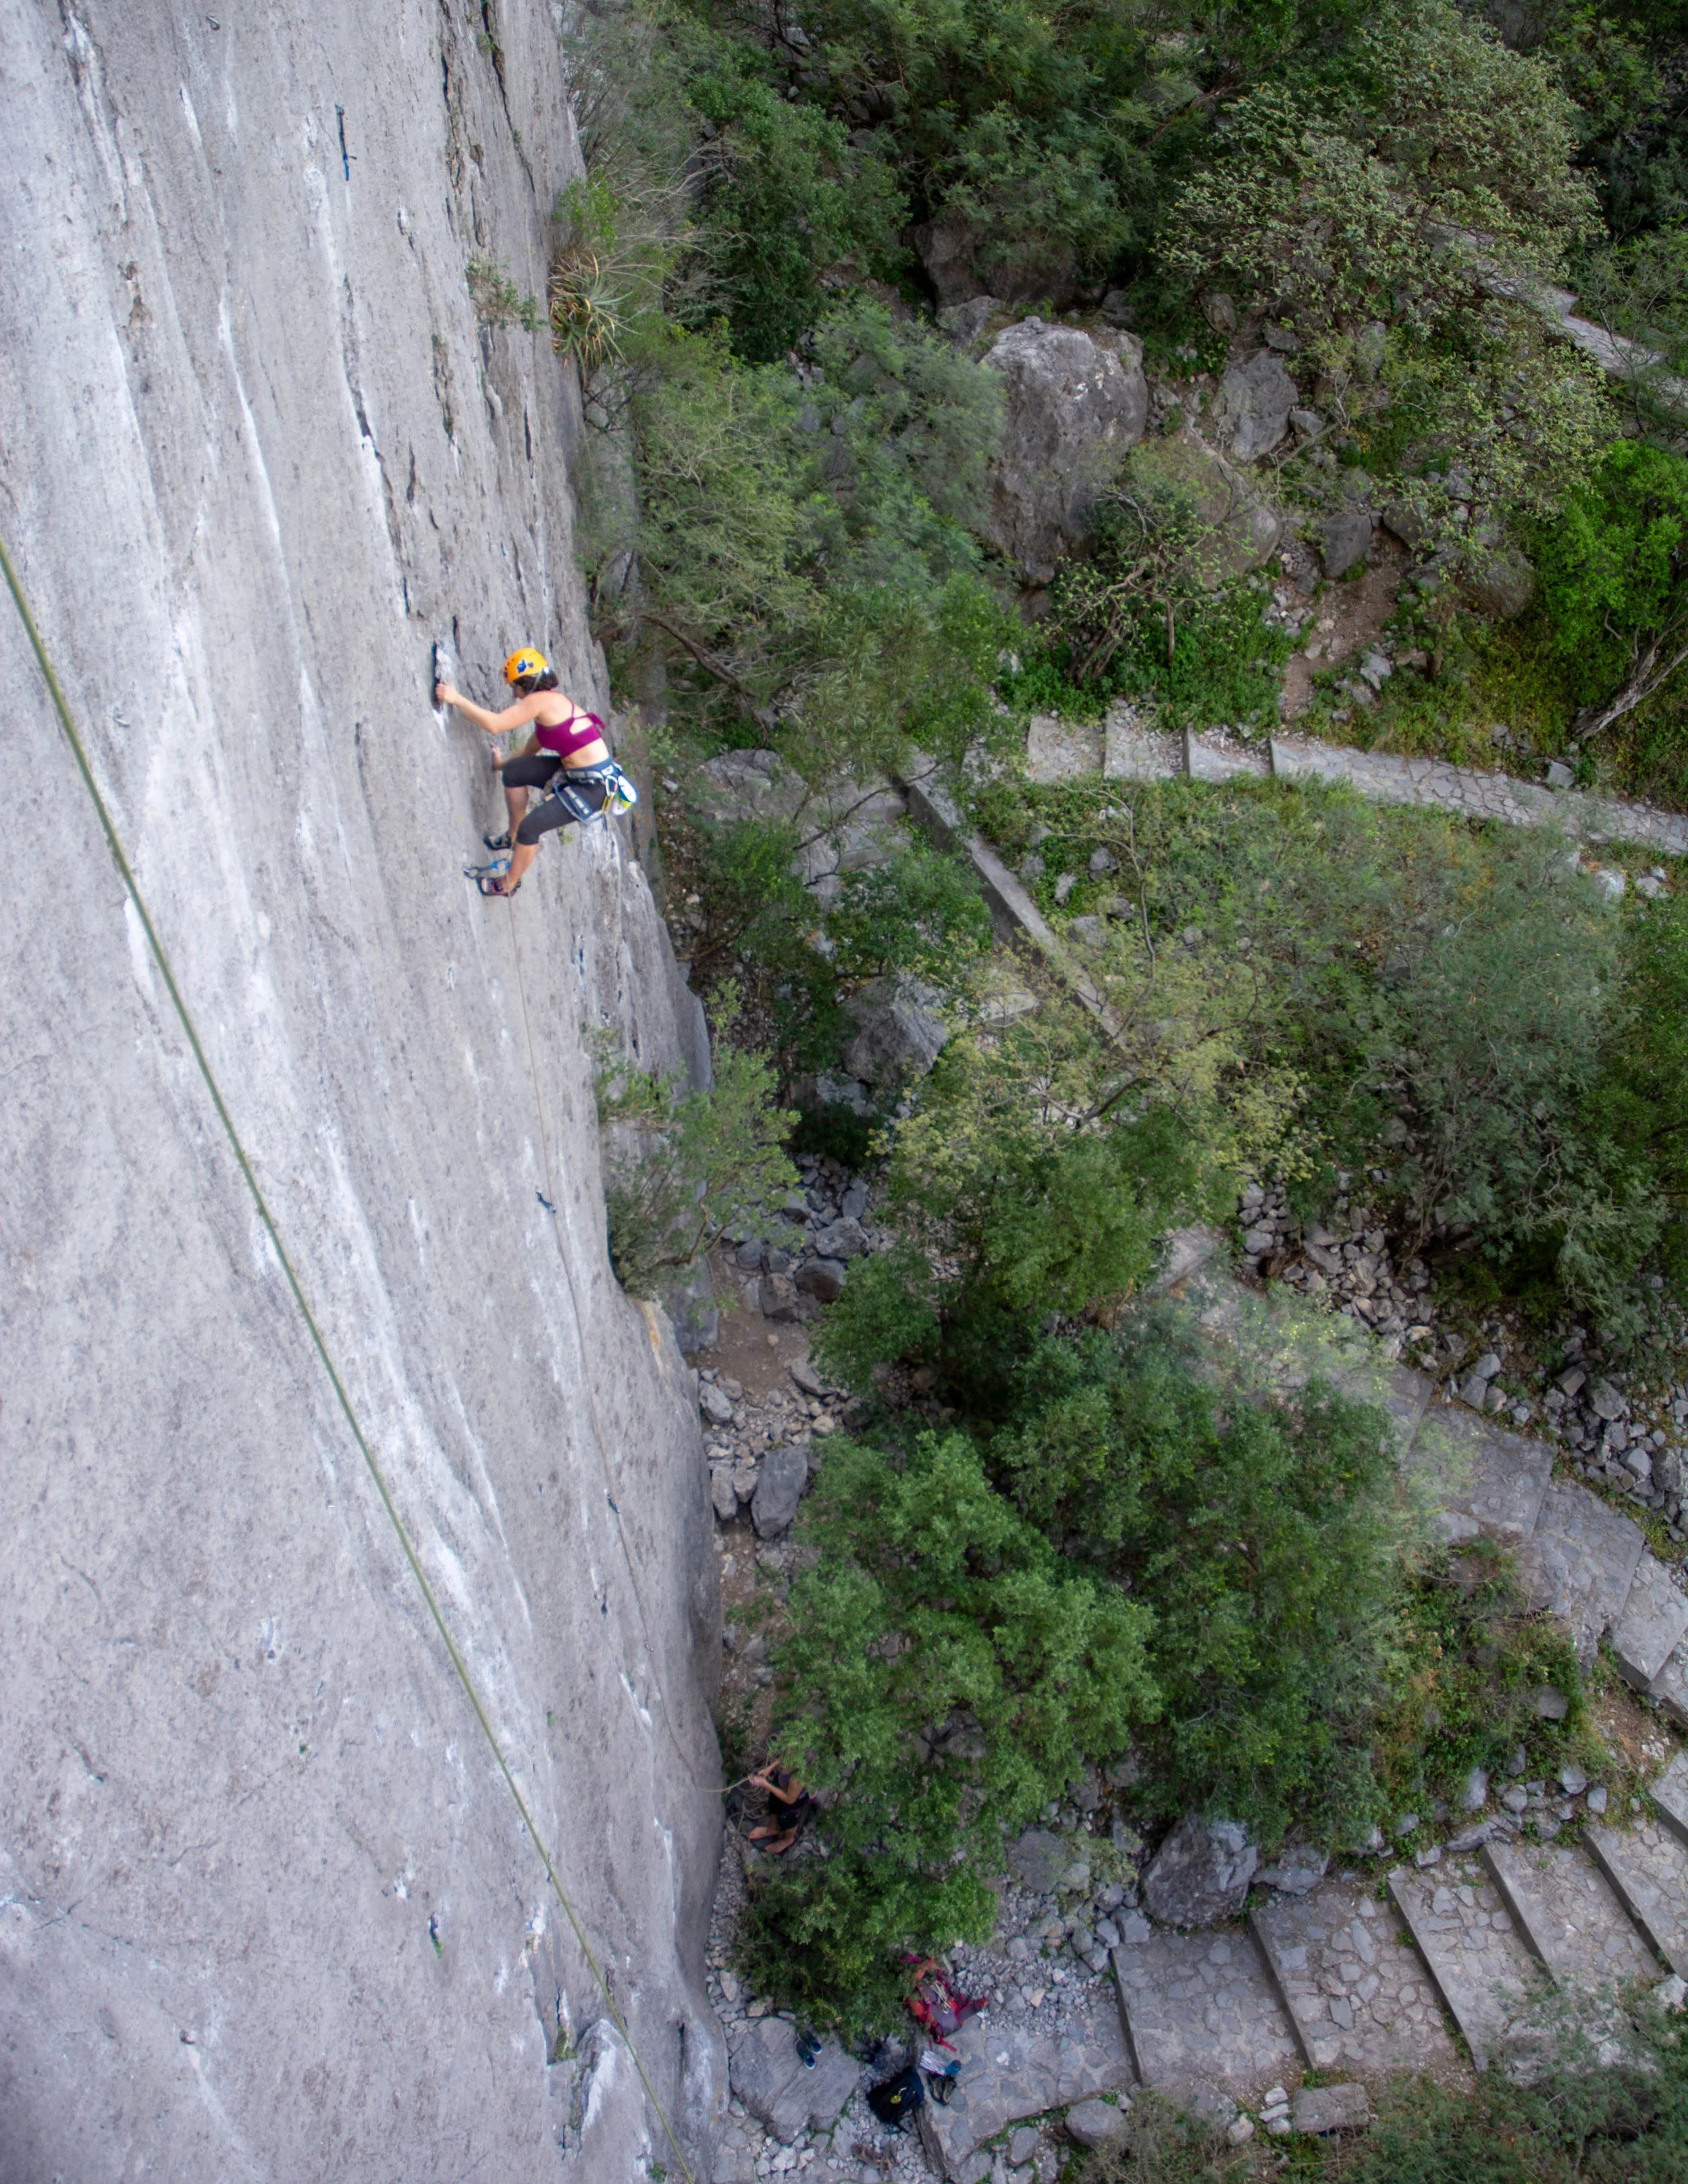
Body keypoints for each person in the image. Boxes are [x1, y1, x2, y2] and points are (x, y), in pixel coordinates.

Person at [435, 646, 614, 897]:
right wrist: (502, 765)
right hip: (579, 775)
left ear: (525, 684)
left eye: (515, 687)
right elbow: (531, 748)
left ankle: (509, 884)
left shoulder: (539, 701)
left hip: (593, 789)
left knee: (531, 828)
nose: (514, 694)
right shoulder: (551, 705)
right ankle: (512, 836)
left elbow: (495, 725)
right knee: (515, 772)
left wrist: (456, 699)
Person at [745, 1762, 817, 1855]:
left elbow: (790, 1799)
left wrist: (766, 1785)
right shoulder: (792, 1751)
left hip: (794, 1799)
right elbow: (783, 1758)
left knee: (785, 1817)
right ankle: (772, 1828)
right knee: (773, 1803)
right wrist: (769, 1769)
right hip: (782, 1782)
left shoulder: (798, 1777)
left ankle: (788, 1839)